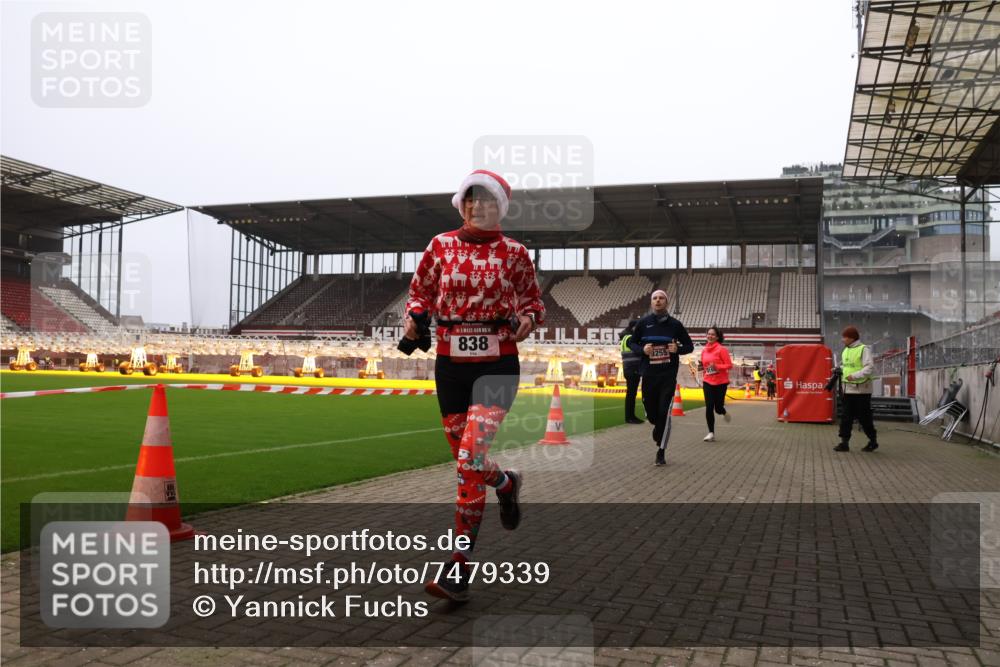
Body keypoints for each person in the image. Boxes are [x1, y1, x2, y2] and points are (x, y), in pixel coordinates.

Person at [404, 169, 545, 601]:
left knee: (469, 456)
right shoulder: (440, 246)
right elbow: (419, 292)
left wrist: (527, 319)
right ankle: (504, 483)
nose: (476, 206)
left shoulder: (516, 253)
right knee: (467, 464)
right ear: (461, 204)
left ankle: (459, 567)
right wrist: (414, 317)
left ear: (499, 207)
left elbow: (534, 302)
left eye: (485, 200)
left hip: (498, 364)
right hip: (450, 366)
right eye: (470, 199)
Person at [628, 290, 694, 466]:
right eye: (655, 298)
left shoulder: (675, 325)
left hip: (667, 375)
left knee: (664, 412)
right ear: (651, 303)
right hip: (649, 374)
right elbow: (631, 342)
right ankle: (657, 426)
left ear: (667, 302)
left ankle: (661, 451)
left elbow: (689, 346)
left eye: (661, 298)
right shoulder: (643, 323)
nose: (658, 301)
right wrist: (642, 350)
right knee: (652, 414)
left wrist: (677, 349)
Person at [834, 325, 879, 453]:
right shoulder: (846, 350)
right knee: (846, 417)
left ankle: (873, 441)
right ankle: (844, 443)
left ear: (852, 338)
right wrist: (839, 370)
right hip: (848, 389)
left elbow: (869, 367)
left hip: (861, 390)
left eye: (845, 337)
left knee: (864, 418)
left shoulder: (864, 349)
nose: (843, 340)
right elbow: (847, 366)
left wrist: (855, 376)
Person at [699, 325, 733, 442]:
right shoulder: (704, 350)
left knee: (718, 408)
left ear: (717, 337)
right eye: (708, 334)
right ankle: (711, 433)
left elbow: (729, 365)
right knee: (709, 407)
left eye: (713, 334)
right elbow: (704, 366)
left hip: (720, 382)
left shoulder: (721, 349)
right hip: (708, 381)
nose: (710, 336)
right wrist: (700, 368)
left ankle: (723, 412)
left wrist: (717, 366)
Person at [619, 319, 643, 424]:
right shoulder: (630, 338)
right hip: (632, 369)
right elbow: (638, 351)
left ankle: (630, 416)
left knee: (631, 394)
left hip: (629, 368)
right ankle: (630, 417)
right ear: (634, 328)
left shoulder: (625, 337)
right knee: (631, 394)